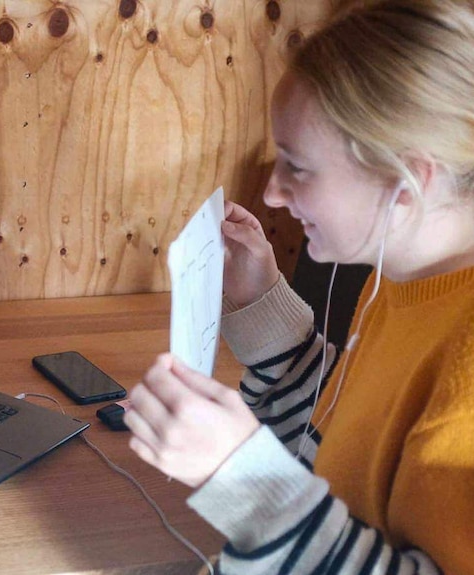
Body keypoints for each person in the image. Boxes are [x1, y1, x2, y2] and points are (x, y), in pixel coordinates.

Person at [123, 0, 474, 572]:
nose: (273, 194)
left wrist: (243, 481)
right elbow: (338, 452)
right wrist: (265, 308)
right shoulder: (406, 274)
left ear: (407, 181)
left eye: (298, 167)